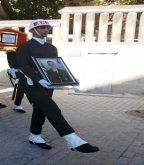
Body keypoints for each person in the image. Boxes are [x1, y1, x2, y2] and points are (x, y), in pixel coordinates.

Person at [15, 19, 99, 153]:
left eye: (47, 27)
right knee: (52, 108)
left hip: (48, 84)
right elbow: (23, 66)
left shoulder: (51, 48)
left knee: (40, 109)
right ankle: (73, 140)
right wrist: (38, 80)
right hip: (31, 83)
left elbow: (54, 65)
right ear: (32, 30)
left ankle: (34, 136)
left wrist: (68, 78)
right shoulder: (24, 46)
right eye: (42, 27)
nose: (45, 29)